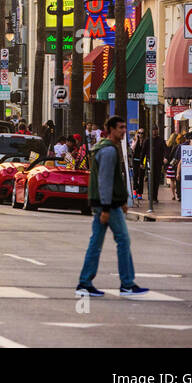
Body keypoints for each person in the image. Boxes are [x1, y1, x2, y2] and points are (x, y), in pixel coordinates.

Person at [76, 116, 147, 297]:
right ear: (111, 130)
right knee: (122, 241)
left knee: (97, 243)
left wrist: (122, 200)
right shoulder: (109, 151)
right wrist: (107, 208)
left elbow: (113, 180)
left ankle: (85, 282)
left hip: (108, 203)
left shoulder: (107, 148)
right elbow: (105, 181)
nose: (124, 131)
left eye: (124, 127)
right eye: (120, 128)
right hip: (107, 205)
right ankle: (127, 284)